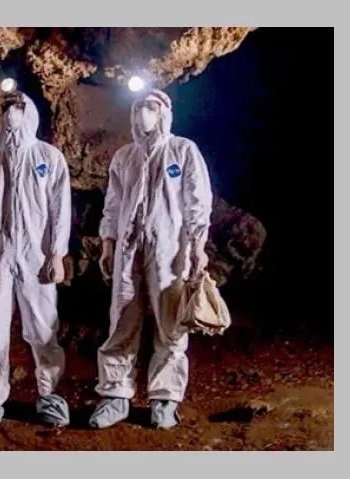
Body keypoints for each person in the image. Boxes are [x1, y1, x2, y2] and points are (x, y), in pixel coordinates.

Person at [90, 89, 213, 430]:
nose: (143, 113)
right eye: (139, 107)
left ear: (164, 113)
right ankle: (115, 394)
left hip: (169, 250)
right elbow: (113, 204)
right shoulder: (124, 156)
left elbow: (197, 201)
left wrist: (198, 246)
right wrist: (108, 244)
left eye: (151, 107)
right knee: (122, 320)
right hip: (129, 250)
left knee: (170, 323)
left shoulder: (183, 151)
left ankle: (165, 398)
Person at [0, 88, 72, 437]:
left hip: (36, 255)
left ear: (29, 112)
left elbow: (60, 209)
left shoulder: (48, 157)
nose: (11, 112)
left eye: (17, 105)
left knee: (42, 327)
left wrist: (56, 253)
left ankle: (51, 395)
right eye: (7, 106)